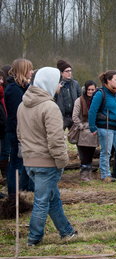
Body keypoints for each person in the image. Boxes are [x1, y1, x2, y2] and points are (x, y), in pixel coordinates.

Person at [16, 67, 77, 246]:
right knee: (42, 201)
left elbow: (20, 134)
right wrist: (62, 161)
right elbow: (56, 139)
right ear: (49, 83)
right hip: (46, 162)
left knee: (52, 197)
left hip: (30, 161)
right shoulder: (50, 107)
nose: (59, 85)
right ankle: (34, 238)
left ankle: (66, 231)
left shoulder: (22, 105)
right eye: (57, 81)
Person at [88, 70, 116, 182]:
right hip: (105, 127)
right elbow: (92, 111)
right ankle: (105, 175)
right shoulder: (100, 94)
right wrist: (92, 127)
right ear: (108, 81)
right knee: (106, 152)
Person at [5, 59, 34, 197]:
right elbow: (18, 114)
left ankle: (21, 190)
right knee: (16, 164)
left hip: (23, 131)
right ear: (23, 70)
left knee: (21, 163)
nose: (32, 72)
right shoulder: (13, 89)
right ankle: (13, 195)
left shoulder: (22, 87)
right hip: (17, 132)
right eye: (29, 69)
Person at [72, 81, 98, 182]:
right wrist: (80, 125)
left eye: (93, 90)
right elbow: (75, 115)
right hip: (82, 129)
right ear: (85, 90)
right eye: (89, 90)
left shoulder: (97, 100)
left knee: (91, 152)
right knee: (83, 152)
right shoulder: (79, 100)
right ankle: (84, 172)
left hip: (93, 129)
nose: (90, 92)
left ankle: (89, 171)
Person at [54, 59, 81, 130]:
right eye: (67, 71)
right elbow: (52, 100)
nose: (69, 73)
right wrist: (56, 92)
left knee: (75, 139)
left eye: (70, 70)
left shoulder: (75, 84)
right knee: (58, 137)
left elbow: (80, 98)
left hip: (73, 116)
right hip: (61, 116)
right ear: (61, 73)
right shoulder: (56, 84)